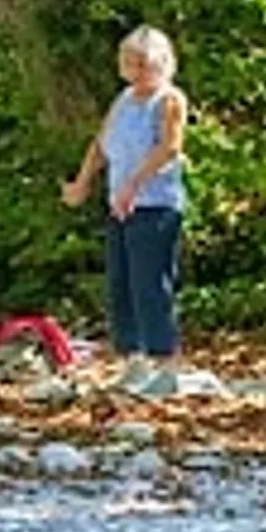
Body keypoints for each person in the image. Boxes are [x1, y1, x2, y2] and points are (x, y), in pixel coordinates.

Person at [64, 25, 192, 397]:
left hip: (155, 205)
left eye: (145, 64)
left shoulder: (169, 100)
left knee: (151, 284)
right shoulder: (122, 99)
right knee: (121, 284)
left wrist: (135, 183)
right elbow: (102, 144)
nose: (138, 71)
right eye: (131, 63)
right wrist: (82, 181)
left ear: (162, 64)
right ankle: (133, 360)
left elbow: (169, 148)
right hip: (119, 206)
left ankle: (165, 363)